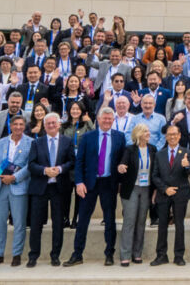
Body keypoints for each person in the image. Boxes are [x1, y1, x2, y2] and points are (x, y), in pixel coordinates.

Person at [66, 107, 127, 267]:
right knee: (83, 220)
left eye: (110, 119)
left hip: (109, 183)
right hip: (89, 184)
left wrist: (121, 181)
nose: (107, 121)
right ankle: (77, 254)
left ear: (113, 121)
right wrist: (79, 182)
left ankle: (109, 254)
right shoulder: (88, 137)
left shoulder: (119, 137)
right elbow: (79, 161)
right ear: (98, 120)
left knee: (109, 220)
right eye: (104, 119)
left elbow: (122, 160)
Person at [28, 112, 74, 267]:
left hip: (59, 188)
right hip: (40, 187)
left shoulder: (67, 141)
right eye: (48, 123)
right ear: (45, 126)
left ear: (59, 124)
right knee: (36, 224)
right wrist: (44, 170)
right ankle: (33, 255)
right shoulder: (37, 142)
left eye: (54, 123)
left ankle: (55, 255)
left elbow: (71, 162)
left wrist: (60, 169)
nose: (52, 125)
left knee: (58, 224)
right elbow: (31, 164)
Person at [0, 115, 32, 266]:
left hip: (18, 186)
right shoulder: (1, 142)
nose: (18, 127)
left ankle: (16, 254)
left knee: (19, 223)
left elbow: (30, 166)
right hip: (0, 187)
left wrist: (14, 177)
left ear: (24, 126)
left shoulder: (31, 143)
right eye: (15, 124)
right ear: (10, 126)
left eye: (21, 124)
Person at [150, 125, 190, 266]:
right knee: (162, 225)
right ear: (166, 137)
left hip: (181, 194)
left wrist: (187, 165)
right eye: (169, 134)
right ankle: (161, 255)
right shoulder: (159, 154)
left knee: (180, 225)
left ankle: (179, 256)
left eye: (175, 134)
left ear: (179, 135)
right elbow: (154, 175)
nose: (172, 137)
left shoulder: (186, 152)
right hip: (164, 193)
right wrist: (165, 189)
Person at [117, 123, 157, 266]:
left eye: (148, 131)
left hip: (147, 189)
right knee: (129, 221)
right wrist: (121, 167)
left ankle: (137, 253)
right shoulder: (130, 149)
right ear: (139, 134)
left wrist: (155, 190)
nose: (148, 133)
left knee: (141, 222)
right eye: (145, 131)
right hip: (132, 188)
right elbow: (123, 163)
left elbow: (155, 171)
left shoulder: (153, 149)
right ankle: (125, 255)